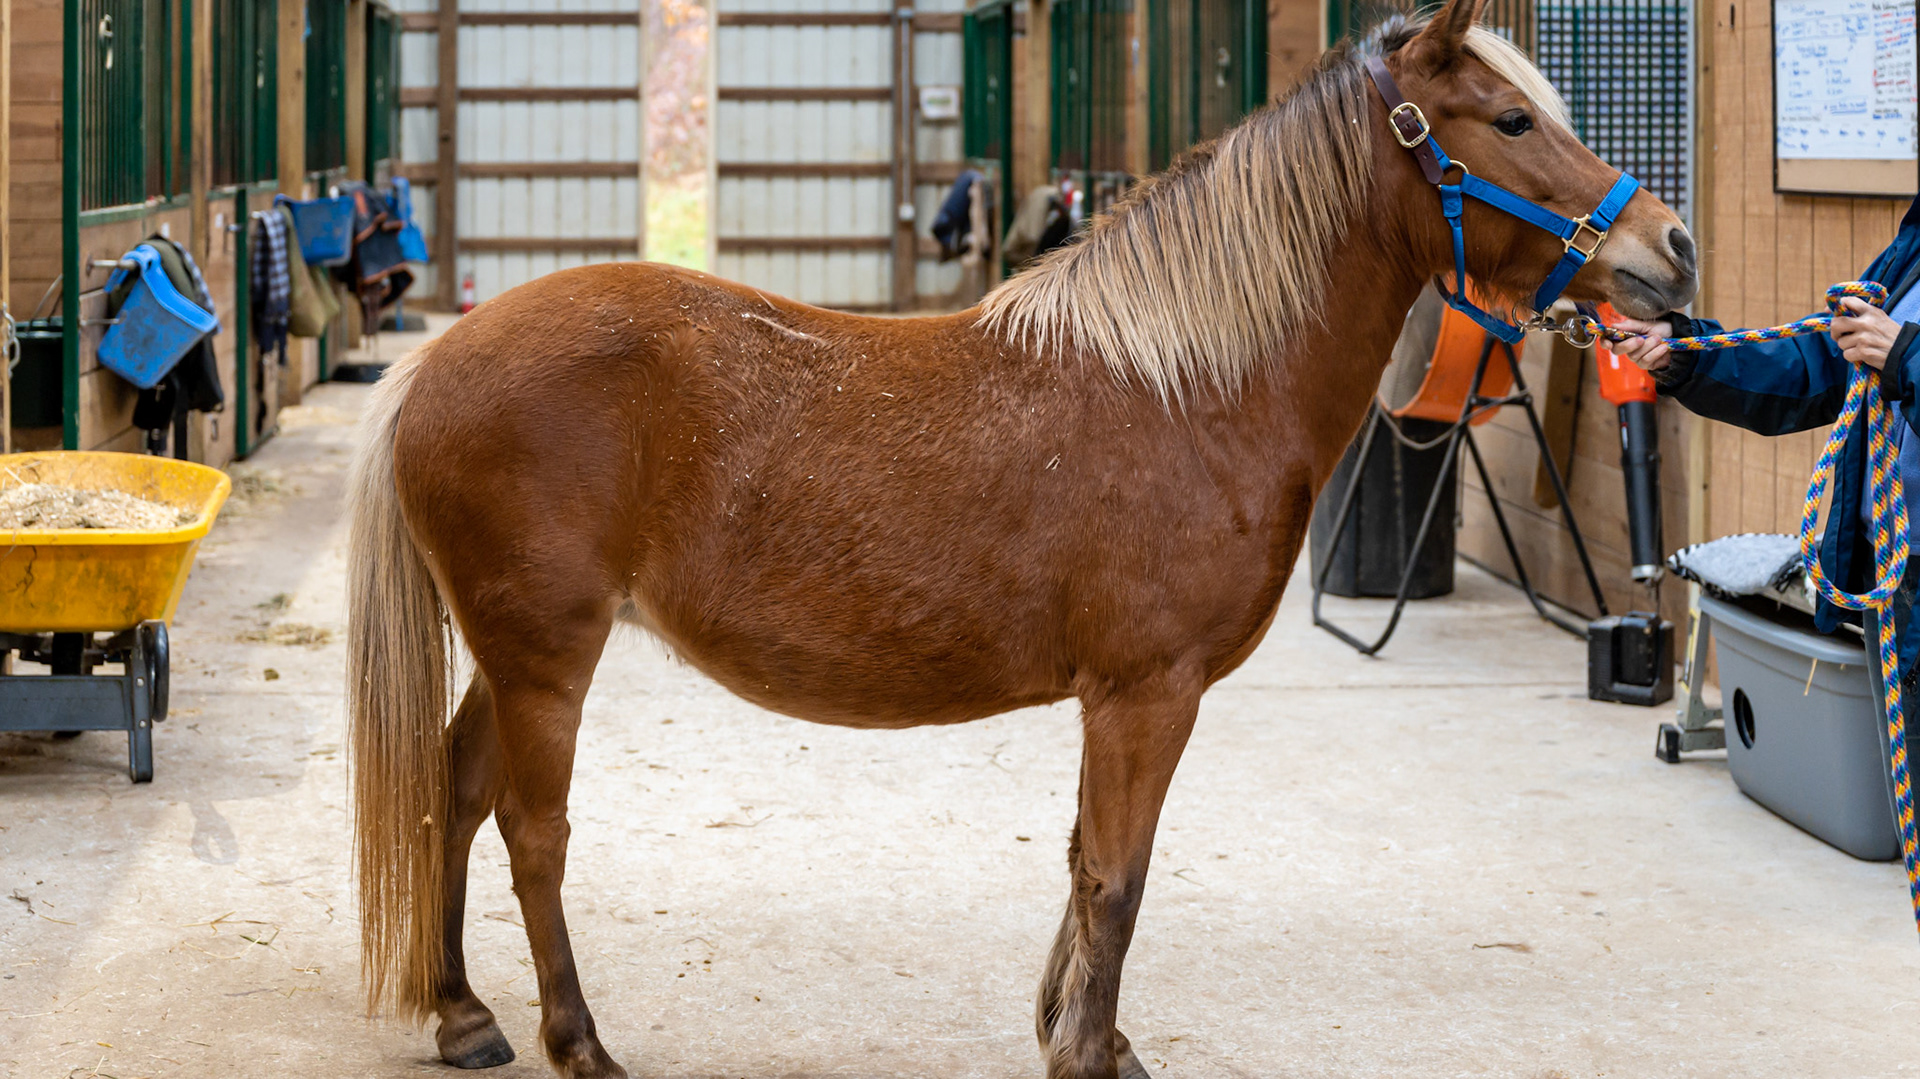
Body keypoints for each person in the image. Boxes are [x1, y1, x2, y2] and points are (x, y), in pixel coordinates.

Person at [1612, 196, 1920, 729]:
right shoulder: (1914, 248)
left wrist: (1907, 359)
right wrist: (1687, 351)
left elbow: (1895, 354)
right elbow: (1819, 363)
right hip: (1896, 576)